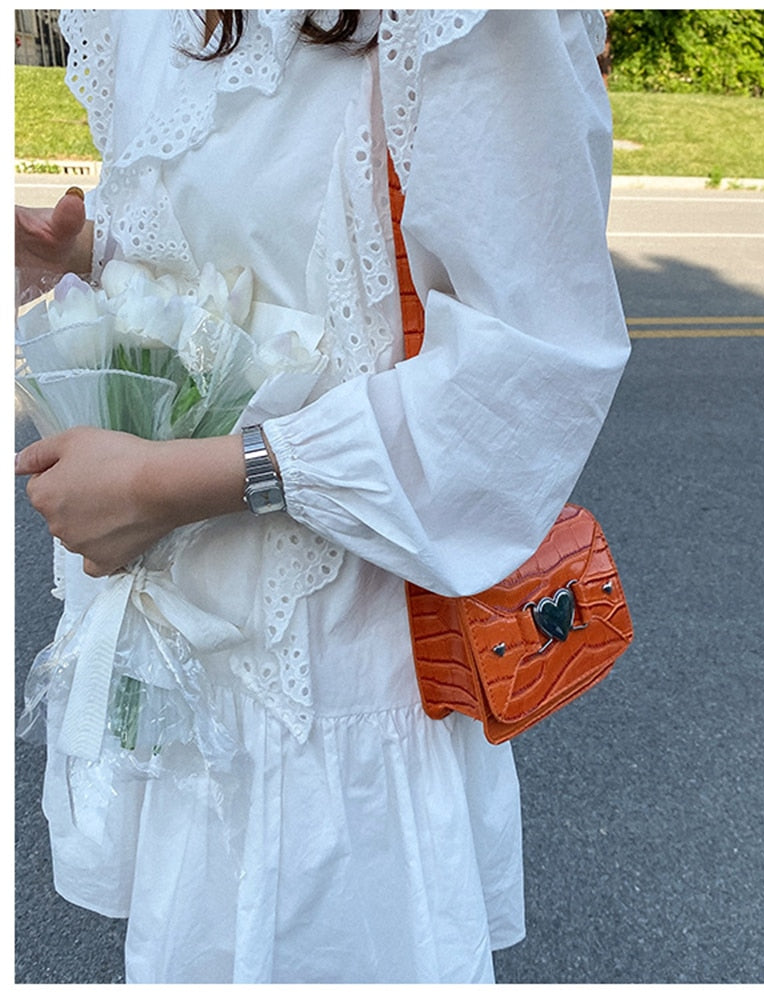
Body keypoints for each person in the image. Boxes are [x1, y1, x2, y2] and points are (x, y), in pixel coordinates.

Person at [15, 10, 630, 984]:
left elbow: (527, 375)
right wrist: (90, 264)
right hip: (184, 672)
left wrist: (159, 486)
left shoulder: (463, 21)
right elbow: (254, 265)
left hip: (333, 684)